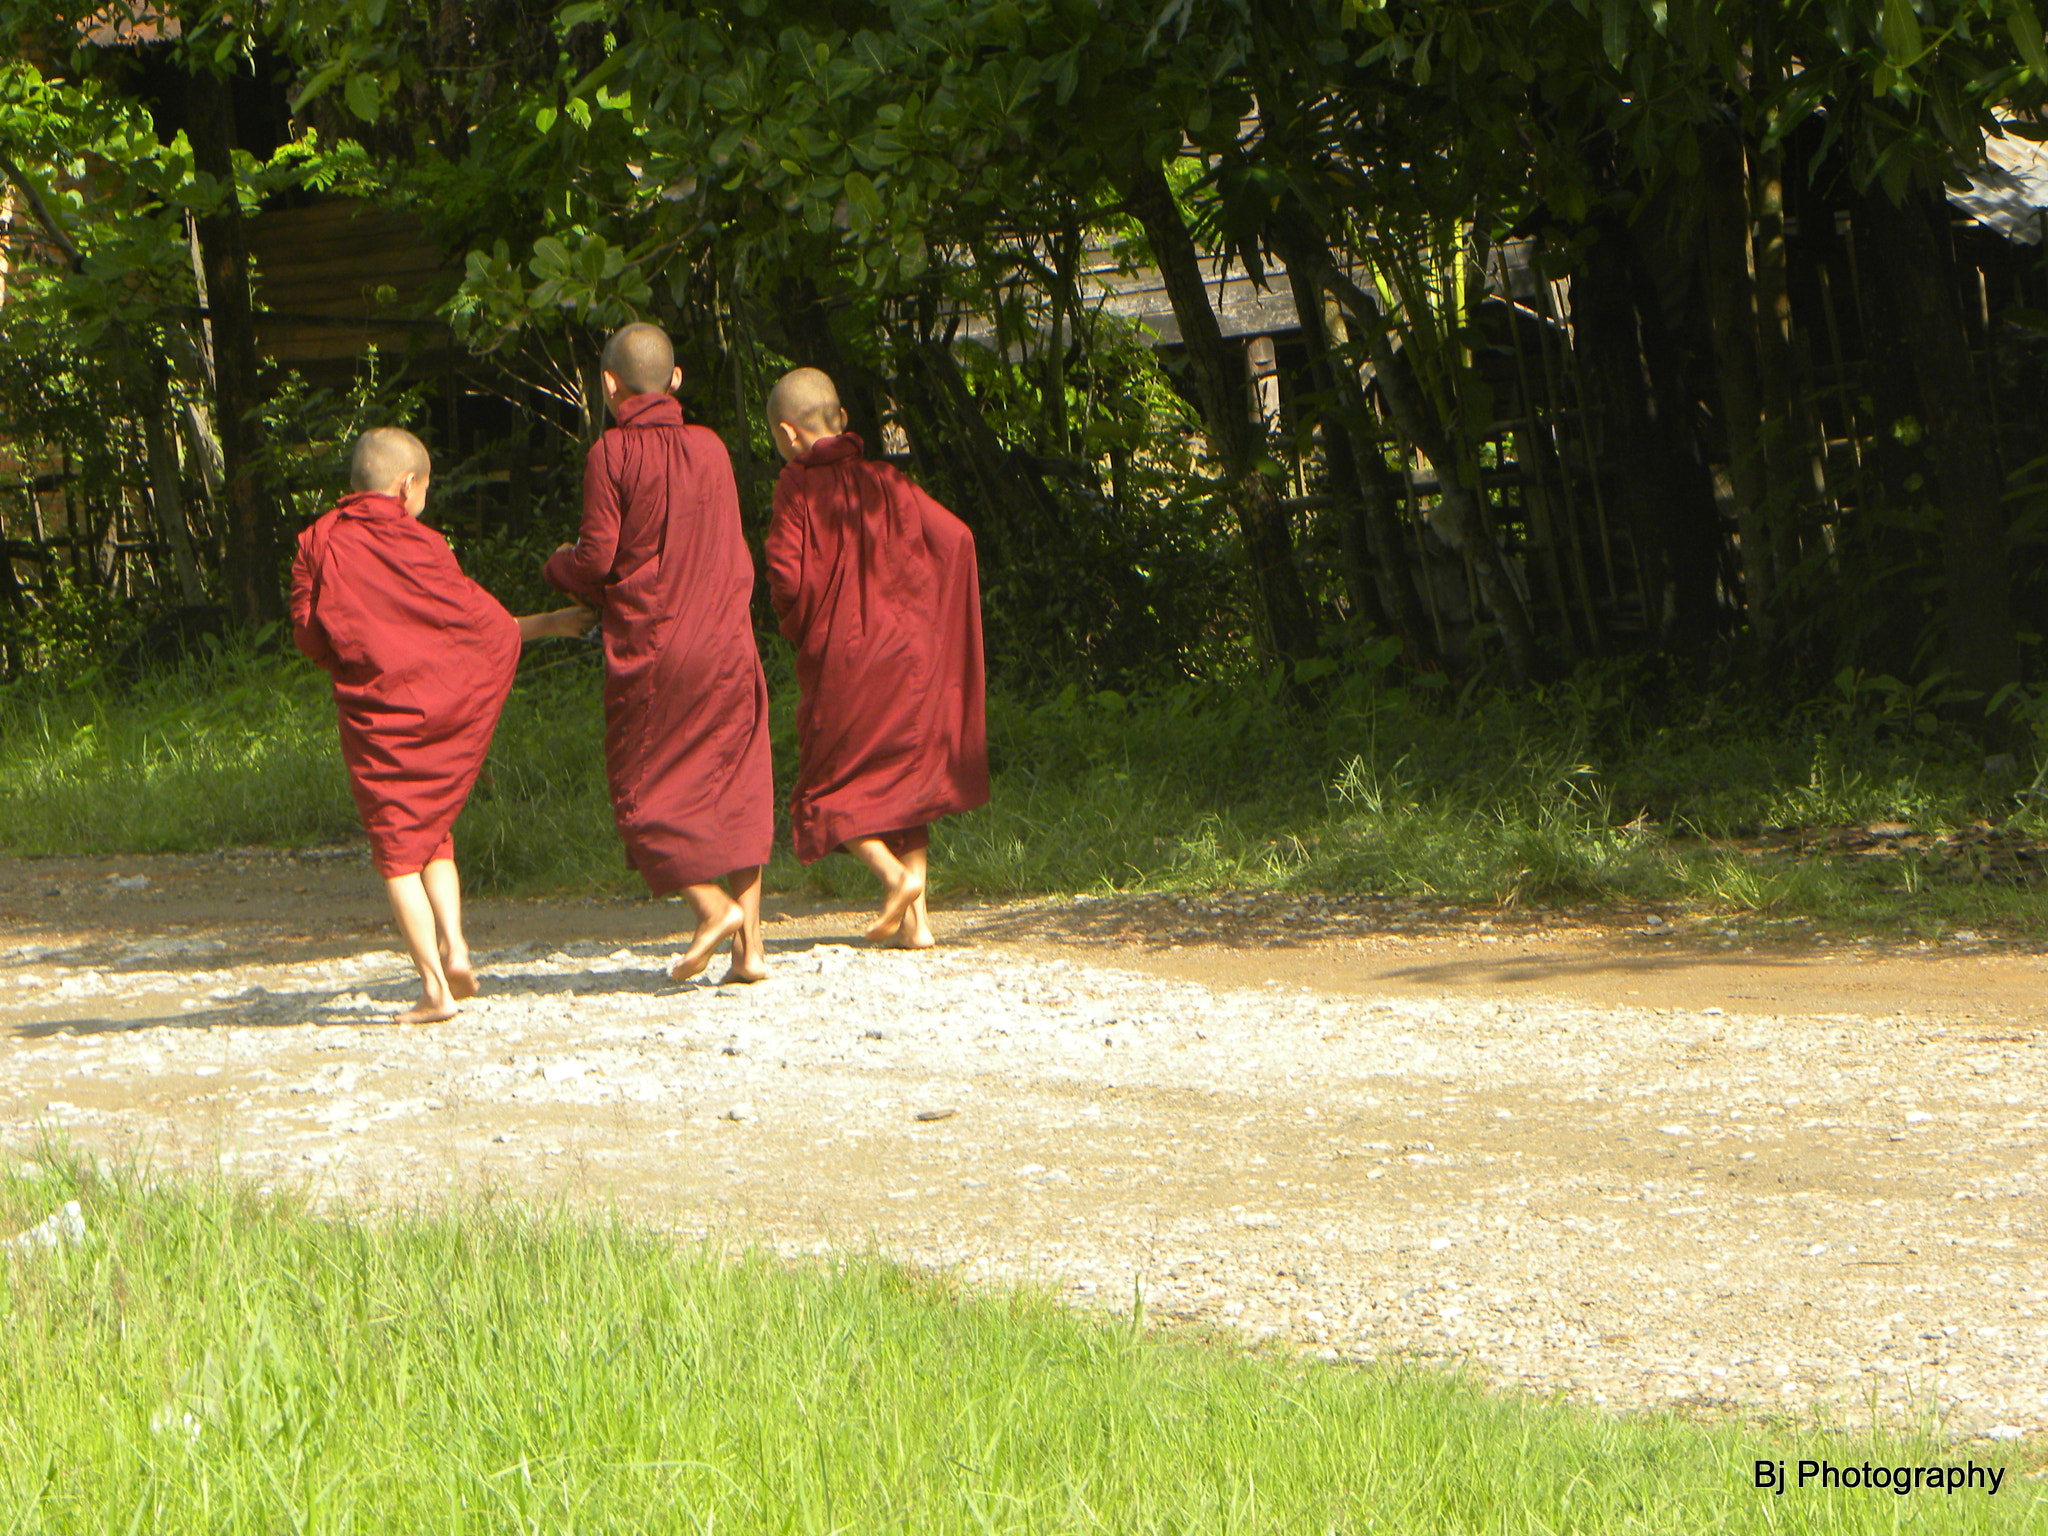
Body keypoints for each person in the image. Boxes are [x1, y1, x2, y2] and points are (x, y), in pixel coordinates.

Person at [292, 427, 591, 1024]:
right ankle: (454, 943)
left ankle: (433, 987)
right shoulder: (425, 545)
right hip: (437, 708)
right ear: (407, 486)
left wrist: (351, 663)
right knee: (433, 833)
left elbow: (309, 632)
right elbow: (479, 625)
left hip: (376, 711)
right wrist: (554, 621)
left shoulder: (318, 542)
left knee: (398, 848)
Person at [544, 323, 776, 983]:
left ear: (608, 385)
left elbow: (597, 560)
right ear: (675, 381)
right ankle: (751, 950)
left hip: (658, 646)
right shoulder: (712, 449)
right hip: (729, 644)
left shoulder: (610, 454)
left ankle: (711, 908)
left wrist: (556, 567)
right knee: (736, 783)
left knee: (641, 786)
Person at [763, 367, 988, 947]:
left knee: (824, 788)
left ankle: (894, 878)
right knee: (904, 782)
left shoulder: (796, 487)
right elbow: (958, 538)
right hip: (908, 658)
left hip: (845, 659)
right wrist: (929, 613)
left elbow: (786, 578)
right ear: (841, 420)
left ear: (789, 435)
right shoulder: (887, 480)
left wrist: (806, 626)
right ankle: (918, 925)